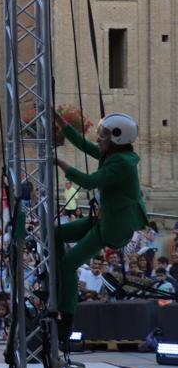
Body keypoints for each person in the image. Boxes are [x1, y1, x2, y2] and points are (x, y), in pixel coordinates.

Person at [53, 112, 148, 343]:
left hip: (114, 227)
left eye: (103, 137)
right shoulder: (115, 157)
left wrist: (58, 162)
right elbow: (84, 145)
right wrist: (60, 122)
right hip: (104, 220)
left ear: (116, 139)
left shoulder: (121, 164)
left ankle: (66, 318)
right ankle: (56, 281)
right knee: (55, 234)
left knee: (68, 265)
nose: (98, 140)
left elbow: (89, 182)